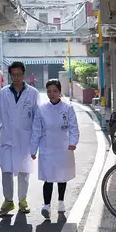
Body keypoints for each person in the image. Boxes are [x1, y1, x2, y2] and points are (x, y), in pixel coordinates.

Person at [0, 61, 41, 216]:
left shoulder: (33, 93)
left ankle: (23, 201)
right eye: (13, 75)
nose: (16, 78)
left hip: (26, 140)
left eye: (19, 75)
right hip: (8, 140)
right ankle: (8, 201)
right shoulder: (3, 93)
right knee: (6, 171)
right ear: (10, 76)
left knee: (24, 172)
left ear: (24, 75)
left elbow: (37, 118)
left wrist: (37, 141)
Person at [30, 79, 80, 218]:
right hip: (47, 147)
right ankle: (46, 205)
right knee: (48, 177)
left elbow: (73, 127)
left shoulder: (67, 108)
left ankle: (61, 201)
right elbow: (36, 131)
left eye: (55, 91)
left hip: (63, 147)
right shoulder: (42, 109)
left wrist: (73, 142)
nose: (51, 94)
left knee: (61, 176)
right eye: (49, 91)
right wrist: (33, 150)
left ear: (60, 92)